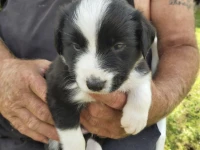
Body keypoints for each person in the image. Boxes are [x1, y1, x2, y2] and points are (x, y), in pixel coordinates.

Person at [0, 0, 198, 150]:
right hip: (12, 124)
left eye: (118, 46)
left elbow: (180, 43)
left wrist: (154, 101)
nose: (95, 73)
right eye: (77, 46)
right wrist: (3, 68)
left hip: (126, 137)